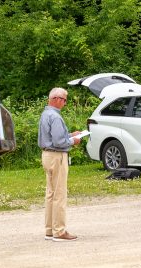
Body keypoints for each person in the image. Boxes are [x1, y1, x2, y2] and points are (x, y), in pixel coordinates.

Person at [38, 87, 81, 242]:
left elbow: (52, 136)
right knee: (60, 194)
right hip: (57, 156)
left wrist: (69, 135)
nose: (65, 102)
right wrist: (73, 141)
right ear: (56, 99)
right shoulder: (55, 117)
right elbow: (59, 141)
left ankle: (49, 230)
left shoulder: (45, 114)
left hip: (47, 155)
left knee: (50, 194)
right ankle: (59, 231)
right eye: (64, 99)